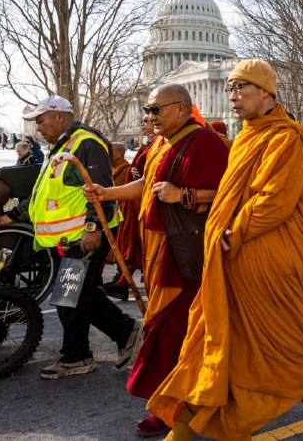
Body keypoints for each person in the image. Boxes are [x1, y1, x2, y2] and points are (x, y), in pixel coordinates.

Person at [148, 59, 303, 441]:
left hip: (266, 256)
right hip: (232, 255)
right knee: (214, 343)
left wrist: (233, 233)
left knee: (286, 344)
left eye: (242, 88)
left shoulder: (287, 137)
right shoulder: (247, 137)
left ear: (267, 93)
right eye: (230, 88)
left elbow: (274, 200)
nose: (233, 96)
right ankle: (182, 434)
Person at [86, 84, 228, 437]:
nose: (149, 116)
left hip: (184, 254)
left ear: (181, 109)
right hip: (158, 250)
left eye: (155, 109)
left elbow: (229, 193)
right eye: (148, 110)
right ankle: (186, 404)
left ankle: (172, 410)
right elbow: (146, 188)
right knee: (164, 329)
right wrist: (107, 193)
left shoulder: (205, 142)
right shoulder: (160, 145)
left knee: (173, 334)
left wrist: (185, 195)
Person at [0, 95, 138, 379]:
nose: (38, 127)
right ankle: (121, 336)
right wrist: (13, 215)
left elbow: (100, 190)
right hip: (68, 239)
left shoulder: (86, 143)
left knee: (70, 297)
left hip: (83, 237)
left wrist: (92, 228)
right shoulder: (62, 147)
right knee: (78, 296)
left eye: (41, 120)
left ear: (59, 116)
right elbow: (43, 194)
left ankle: (81, 354)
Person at [104, 117, 156, 300]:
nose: (143, 124)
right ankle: (122, 282)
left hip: (145, 203)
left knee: (138, 245)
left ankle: (123, 283)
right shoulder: (151, 143)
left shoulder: (161, 143)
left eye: (147, 120)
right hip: (134, 203)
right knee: (133, 244)